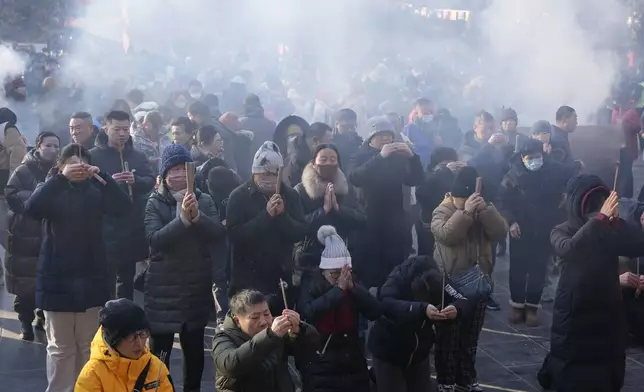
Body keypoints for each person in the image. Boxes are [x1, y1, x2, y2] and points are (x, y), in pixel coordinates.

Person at [24, 144, 130, 392]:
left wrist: (101, 175)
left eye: (82, 163)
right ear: (60, 165)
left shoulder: (95, 189)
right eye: (71, 163)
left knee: (87, 345)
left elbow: (123, 206)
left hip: (91, 277)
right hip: (56, 278)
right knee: (60, 348)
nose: (77, 169)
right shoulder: (51, 187)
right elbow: (32, 208)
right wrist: (61, 178)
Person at [537, 175, 644, 392]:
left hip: (608, 312)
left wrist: (620, 223)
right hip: (576, 312)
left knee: (607, 367)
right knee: (574, 370)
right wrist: (601, 220)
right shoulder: (561, 231)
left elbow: (638, 245)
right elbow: (573, 249)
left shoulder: (608, 229)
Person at [144, 144, 227, 390]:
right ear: (165, 174)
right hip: (162, 289)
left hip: (194, 286)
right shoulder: (154, 202)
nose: (179, 175)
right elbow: (154, 240)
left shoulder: (205, 199)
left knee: (194, 352)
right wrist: (182, 220)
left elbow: (218, 233)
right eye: (174, 170)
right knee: (161, 354)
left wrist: (198, 218)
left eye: (183, 169)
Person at [431, 166, 508, 392]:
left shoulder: (483, 209)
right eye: (461, 198)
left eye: (469, 199)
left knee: (471, 336)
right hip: (452, 283)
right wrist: (464, 214)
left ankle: (466, 376)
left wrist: (485, 212)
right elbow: (447, 235)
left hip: (479, 280)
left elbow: (500, 232)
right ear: (452, 195)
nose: (466, 202)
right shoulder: (441, 211)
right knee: (449, 337)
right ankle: (446, 379)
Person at [368, 255, 474, 392]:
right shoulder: (397, 279)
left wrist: (456, 308)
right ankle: (374, 380)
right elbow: (386, 304)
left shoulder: (441, 280)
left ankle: (374, 379)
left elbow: (464, 298)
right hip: (389, 352)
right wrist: (421, 309)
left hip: (419, 352)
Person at [497, 139, 573, 326]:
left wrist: (565, 197)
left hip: (544, 229)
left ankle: (532, 306)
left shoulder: (551, 171)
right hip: (520, 230)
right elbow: (502, 201)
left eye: (537, 157)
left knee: (539, 268)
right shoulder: (512, 176)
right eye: (530, 158)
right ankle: (517, 305)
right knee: (518, 269)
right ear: (522, 158)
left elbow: (568, 178)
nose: (534, 161)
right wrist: (511, 221)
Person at [298, 226, 380, 392]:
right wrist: (338, 291)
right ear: (324, 272)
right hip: (321, 356)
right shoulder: (310, 283)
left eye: (345, 273)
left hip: (352, 356)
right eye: (335, 274)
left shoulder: (352, 282)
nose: (340, 278)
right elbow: (308, 313)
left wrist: (354, 288)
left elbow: (375, 311)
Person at [226, 141, 306, 313]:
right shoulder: (239, 195)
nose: (268, 178)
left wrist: (283, 215)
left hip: (279, 275)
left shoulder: (291, 195)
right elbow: (235, 235)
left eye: (273, 173)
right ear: (254, 172)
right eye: (264, 173)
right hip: (247, 277)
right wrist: (266, 216)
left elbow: (299, 232)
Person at [348, 116, 424, 289]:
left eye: (388, 135)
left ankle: (389, 304)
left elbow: (415, 179)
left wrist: (412, 157)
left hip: (395, 219)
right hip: (368, 218)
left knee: (393, 268)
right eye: (380, 135)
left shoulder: (398, 157)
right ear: (370, 137)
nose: (385, 139)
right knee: (367, 267)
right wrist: (380, 157)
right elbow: (355, 177)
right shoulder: (359, 156)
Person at [90, 110, 155, 301]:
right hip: (104, 224)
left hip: (130, 224)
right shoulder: (93, 156)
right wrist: (107, 182)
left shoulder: (137, 155)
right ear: (105, 128)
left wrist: (136, 180)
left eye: (125, 129)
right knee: (104, 279)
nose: (122, 134)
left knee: (126, 278)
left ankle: (125, 320)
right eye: (116, 129)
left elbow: (150, 179)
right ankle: (105, 321)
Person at [4, 131, 60, 340]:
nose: (52, 150)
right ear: (38, 146)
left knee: (47, 282)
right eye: (48, 145)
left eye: (56, 146)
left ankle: (42, 318)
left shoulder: (60, 170)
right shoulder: (23, 170)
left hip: (51, 234)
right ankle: (25, 322)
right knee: (25, 285)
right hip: (26, 235)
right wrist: (38, 195)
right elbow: (12, 193)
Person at [212, 289, 320, 392]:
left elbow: (312, 343)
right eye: (255, 317)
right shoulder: (223, 337)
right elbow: (230, 365)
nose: (263, 321)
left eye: (266, 314)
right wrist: (270, 336)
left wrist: (298, 329)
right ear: (237, 320)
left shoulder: (275, 328)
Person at [293, 144, 366, 284]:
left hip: (342, 253)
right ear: (313, 163)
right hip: (310, 257)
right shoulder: (300, 190)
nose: (328, 163)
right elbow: (295, 226)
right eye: (324, 159)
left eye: (333, 159)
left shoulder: (345, 188)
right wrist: (323, 211)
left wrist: (339, 210)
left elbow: (362, 218)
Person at [75, 299, 174, 392]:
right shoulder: (93, 374)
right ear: (114, 339)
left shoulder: (156, 367)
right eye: (131, 337)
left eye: (142, 334)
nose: (139, 343)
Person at [415, 147, 465, 256]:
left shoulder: (457, 175)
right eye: (445, 163)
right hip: (429, 221)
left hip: (452, 220)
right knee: (428, 254)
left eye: (452, 162)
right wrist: (444, 172)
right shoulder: (428, 174)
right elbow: (421, 193)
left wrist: (467, 172)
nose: (450, 165)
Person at [283, 122, 334, 187]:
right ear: (316, 141)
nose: (331, 146)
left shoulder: (312, 156)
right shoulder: (294, 162)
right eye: (329, 141)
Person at [402, 98, 441, 168]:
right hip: (416, 162)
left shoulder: (438, 128)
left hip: (433, 162)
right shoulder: (409, 128)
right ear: (417, 112)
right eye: (424, 113)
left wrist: (439, 145)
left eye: (430, 112)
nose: (428, 115)